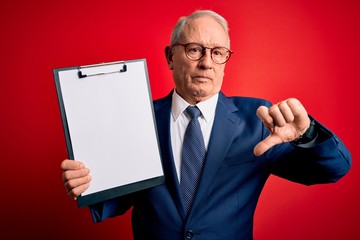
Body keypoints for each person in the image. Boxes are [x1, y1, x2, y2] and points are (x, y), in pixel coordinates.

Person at [61, 10, 351, 240]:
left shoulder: (259, 119)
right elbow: (116, 198)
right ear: (170, 57)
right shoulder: (138, 119)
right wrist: (88, 182)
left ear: (226, 61)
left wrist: (307, 135)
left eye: (218, 52)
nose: (207, 63)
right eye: (194, 50)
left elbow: (332, 170)